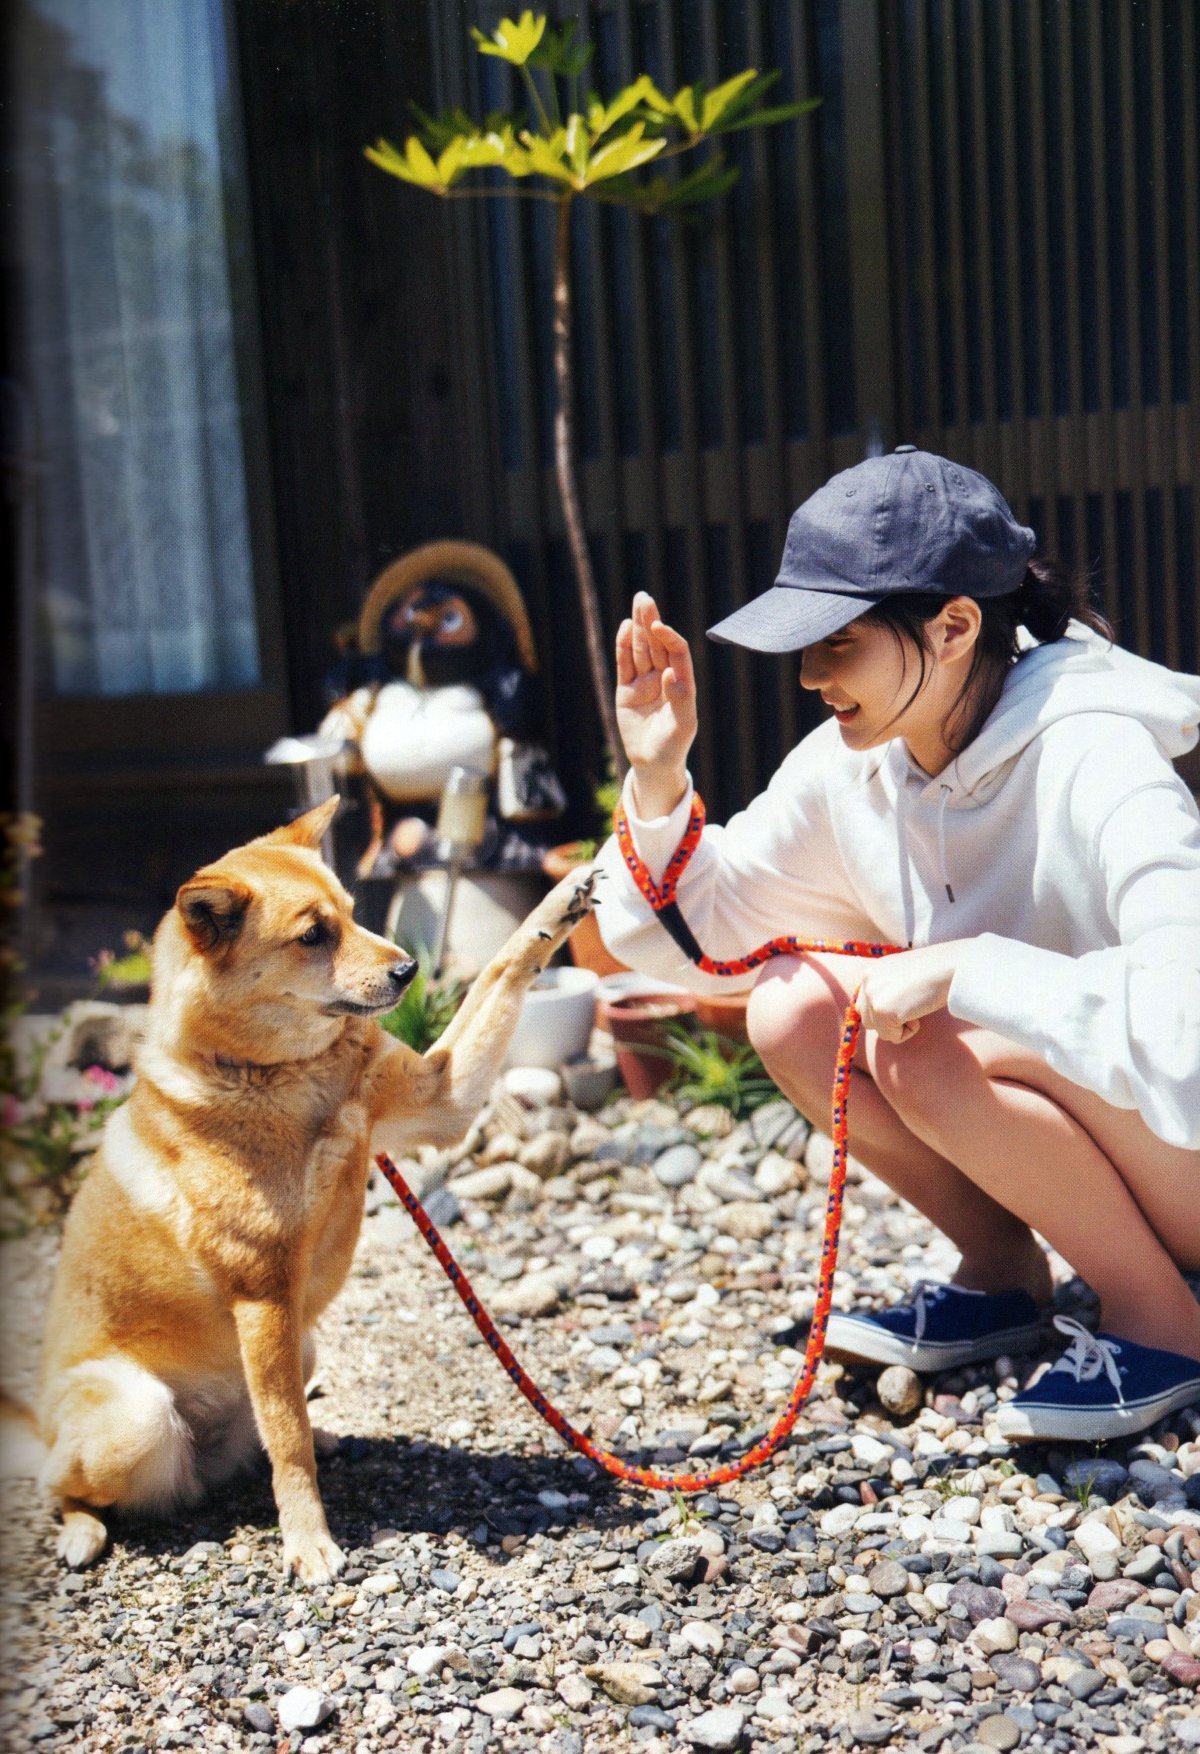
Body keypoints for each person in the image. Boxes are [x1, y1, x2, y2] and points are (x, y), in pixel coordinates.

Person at [594, 445, 1200, 1444]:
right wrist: (659, 774)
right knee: (792, 1004)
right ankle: (1002, 1273)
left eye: (837, 641)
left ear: (957, 625)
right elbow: (699, 939)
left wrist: (968, 968)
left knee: (919, 1035)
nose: (807, 674)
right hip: (1111, 1148)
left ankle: (1162, 1321)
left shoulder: (1097, 749)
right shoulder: (857, 765)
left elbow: (1185, 1016)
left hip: (1182, 1145)